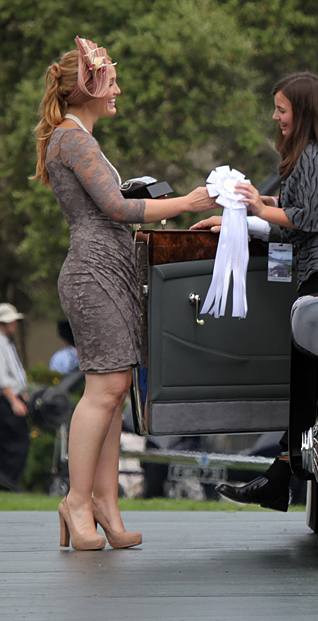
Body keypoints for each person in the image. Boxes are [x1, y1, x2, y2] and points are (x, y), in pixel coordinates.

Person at [34, 36, 219, 549]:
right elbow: (116, 209)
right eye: (110, 80)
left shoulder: (78, 138)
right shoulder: (73, 139)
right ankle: (76, 501)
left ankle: (105, 506)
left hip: (108, 270)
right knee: (104, 392)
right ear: (87, 88)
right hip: (93, 274)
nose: (118, 88)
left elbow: (111, 211)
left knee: (115, 397)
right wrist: (185, 201)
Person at [192, 72, 318, 511]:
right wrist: (245, 217)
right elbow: (297, 212)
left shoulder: (313, 156)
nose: (275, 116)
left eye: (281, 109)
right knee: (305, 382)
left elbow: (309, 221)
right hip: (312, 271)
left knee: (305, 380)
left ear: (302, 112)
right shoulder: (313, 156)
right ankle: (281, 474)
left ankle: (283, 473)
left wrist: (260, 208)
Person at [0, 304, 30, 492]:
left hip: (14, 396)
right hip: (6, 399)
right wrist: (14, 400)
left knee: (9, 441)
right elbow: (2, 377)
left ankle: (7, 481)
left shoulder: (6, 342)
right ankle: (7, 481)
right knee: (17, 442)